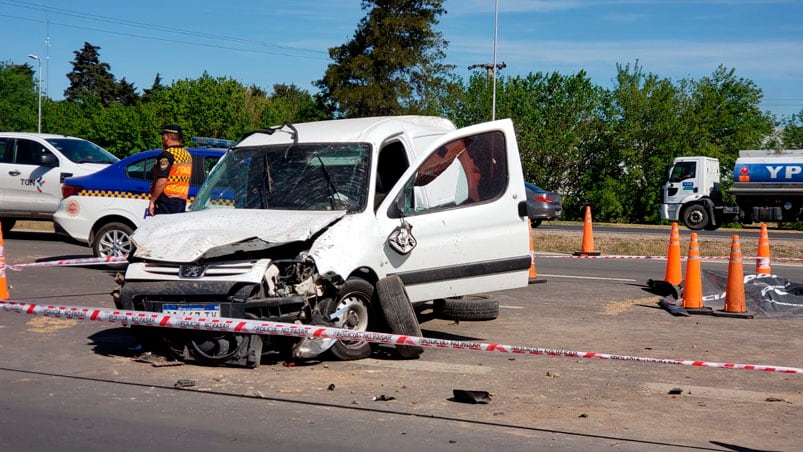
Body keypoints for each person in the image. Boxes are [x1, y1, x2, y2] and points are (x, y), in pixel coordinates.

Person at [148, 125, 192, 215]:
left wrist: (152, 201)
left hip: (167, 200)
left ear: (167, 137)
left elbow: (162, 180)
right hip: (181, 200)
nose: (162, 139)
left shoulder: (167, 155)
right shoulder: (187, 155)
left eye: (163, 136)